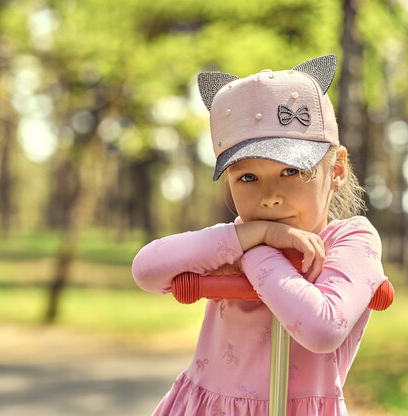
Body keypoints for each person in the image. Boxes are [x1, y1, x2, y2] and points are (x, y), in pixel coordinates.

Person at [133, 54, 390, 416]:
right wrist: (253, 236)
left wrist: (257, 252)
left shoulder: (351, 241)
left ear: (338, 170)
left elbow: (322, 328)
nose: (270, 196)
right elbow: (147, 270)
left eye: (292, 171)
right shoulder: (234, 239)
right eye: (248, 177)